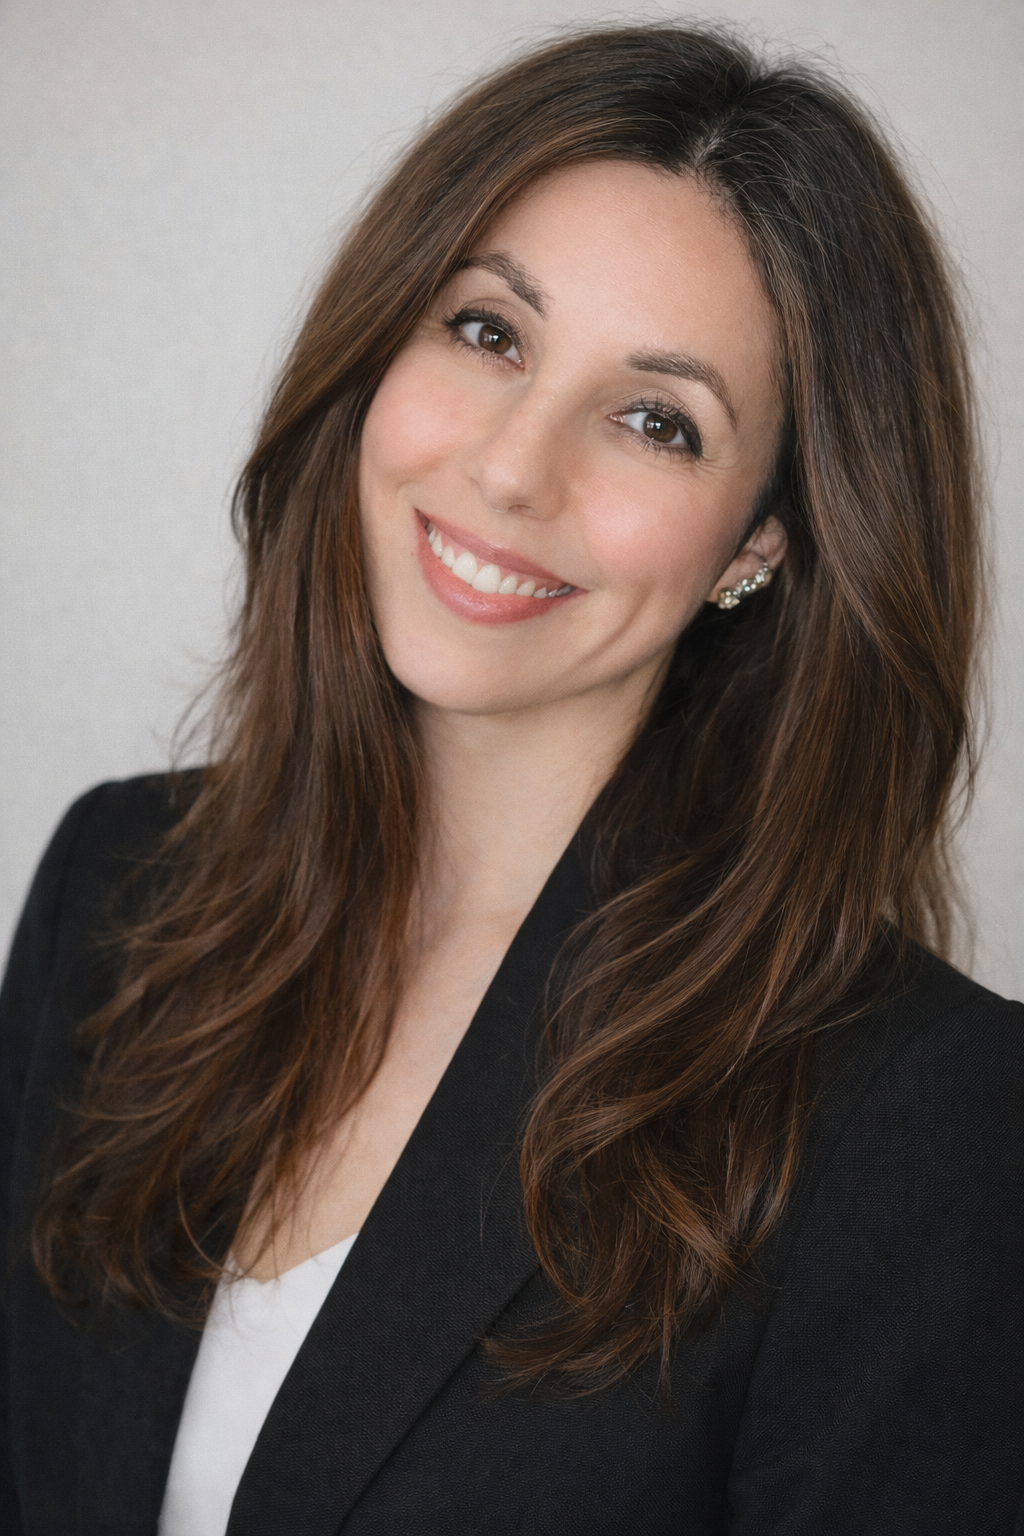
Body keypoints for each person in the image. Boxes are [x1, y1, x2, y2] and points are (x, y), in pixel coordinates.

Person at [1, 21, 1021, 1535]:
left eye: (655, 421)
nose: (509, 470)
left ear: (760, 544)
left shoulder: (922, 1123)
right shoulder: (119, 883)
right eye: (489, 332)